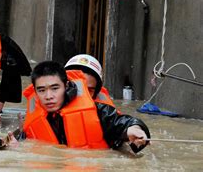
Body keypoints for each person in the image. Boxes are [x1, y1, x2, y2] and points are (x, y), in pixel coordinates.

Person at [21, 61, 150, 153]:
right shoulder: (33, 118)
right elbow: (22, 142)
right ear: (36, 92)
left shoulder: (98, 110)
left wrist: (134, 129)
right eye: (42, 90)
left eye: (55, 88)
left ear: (66, 86)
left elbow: (122, 123)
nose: (48, 96)